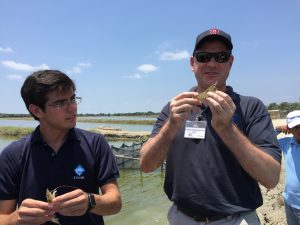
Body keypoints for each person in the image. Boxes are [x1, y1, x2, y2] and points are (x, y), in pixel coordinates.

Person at [140, 28, 282, 225]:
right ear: (193, 63)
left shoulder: (251, 107)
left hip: (236, 219)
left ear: (230, 62)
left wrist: (227, 129)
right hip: (182, 218)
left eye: (221, 56)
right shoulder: (174, 108)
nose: (212, 63)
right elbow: (146, 165)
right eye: (204, 57)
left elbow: (271, 178)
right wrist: (171, 126)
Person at [0, 70, 121, 225]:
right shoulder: (13, 155)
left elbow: (115, 203)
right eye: (60, 103)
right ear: (37, 110)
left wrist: (90, 201)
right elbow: (2, 217)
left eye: (72, 99)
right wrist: (16, 218)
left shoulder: (95, 143)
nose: (72, 108)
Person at [275, 110, 300, 225]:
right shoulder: (286, 143)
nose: (299, 130)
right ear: (289, 129)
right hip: (289, 202)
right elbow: (263, 140)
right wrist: (277, 129)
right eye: (296, 127)